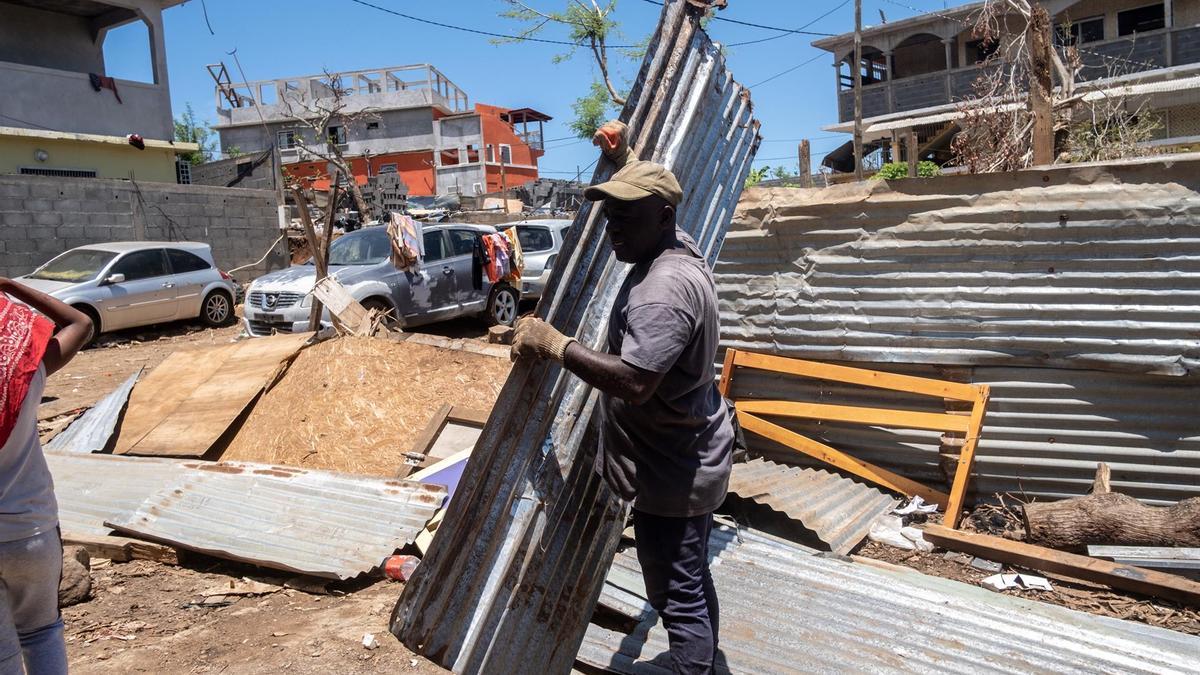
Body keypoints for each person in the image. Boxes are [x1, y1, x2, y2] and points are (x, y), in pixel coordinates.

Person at [511, 121, 732, 674]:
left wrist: (555, 344)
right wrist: (625, 160)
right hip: (690, 456)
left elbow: (635, 381)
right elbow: (649, 198)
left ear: (662, 215)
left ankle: (693, 668)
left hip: (672, 474)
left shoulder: (660, 291)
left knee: (675, 596)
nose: (612, 229)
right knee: (690, 579)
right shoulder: (679, 246)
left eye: (626, 217)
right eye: (608, 215)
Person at [0, 278, 93, 675]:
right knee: (41, 633)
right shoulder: (25, 373)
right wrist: (9, 285)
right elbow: (80, 323)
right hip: (30, 530)